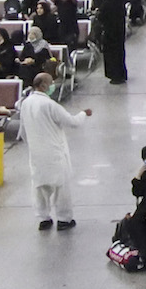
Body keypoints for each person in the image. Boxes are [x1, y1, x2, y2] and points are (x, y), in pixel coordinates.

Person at [17, 80, 92, 231]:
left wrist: (32, 145)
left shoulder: (25, 103)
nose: (52, 85)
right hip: (54, 152)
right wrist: (84, 113)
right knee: (61, 187)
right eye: (50, 83)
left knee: (40, 186)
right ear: (44, 86)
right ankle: (64, 219)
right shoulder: (50, 105)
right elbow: (73, 122)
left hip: (36, 153)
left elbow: (23, 131)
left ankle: (43, 218)